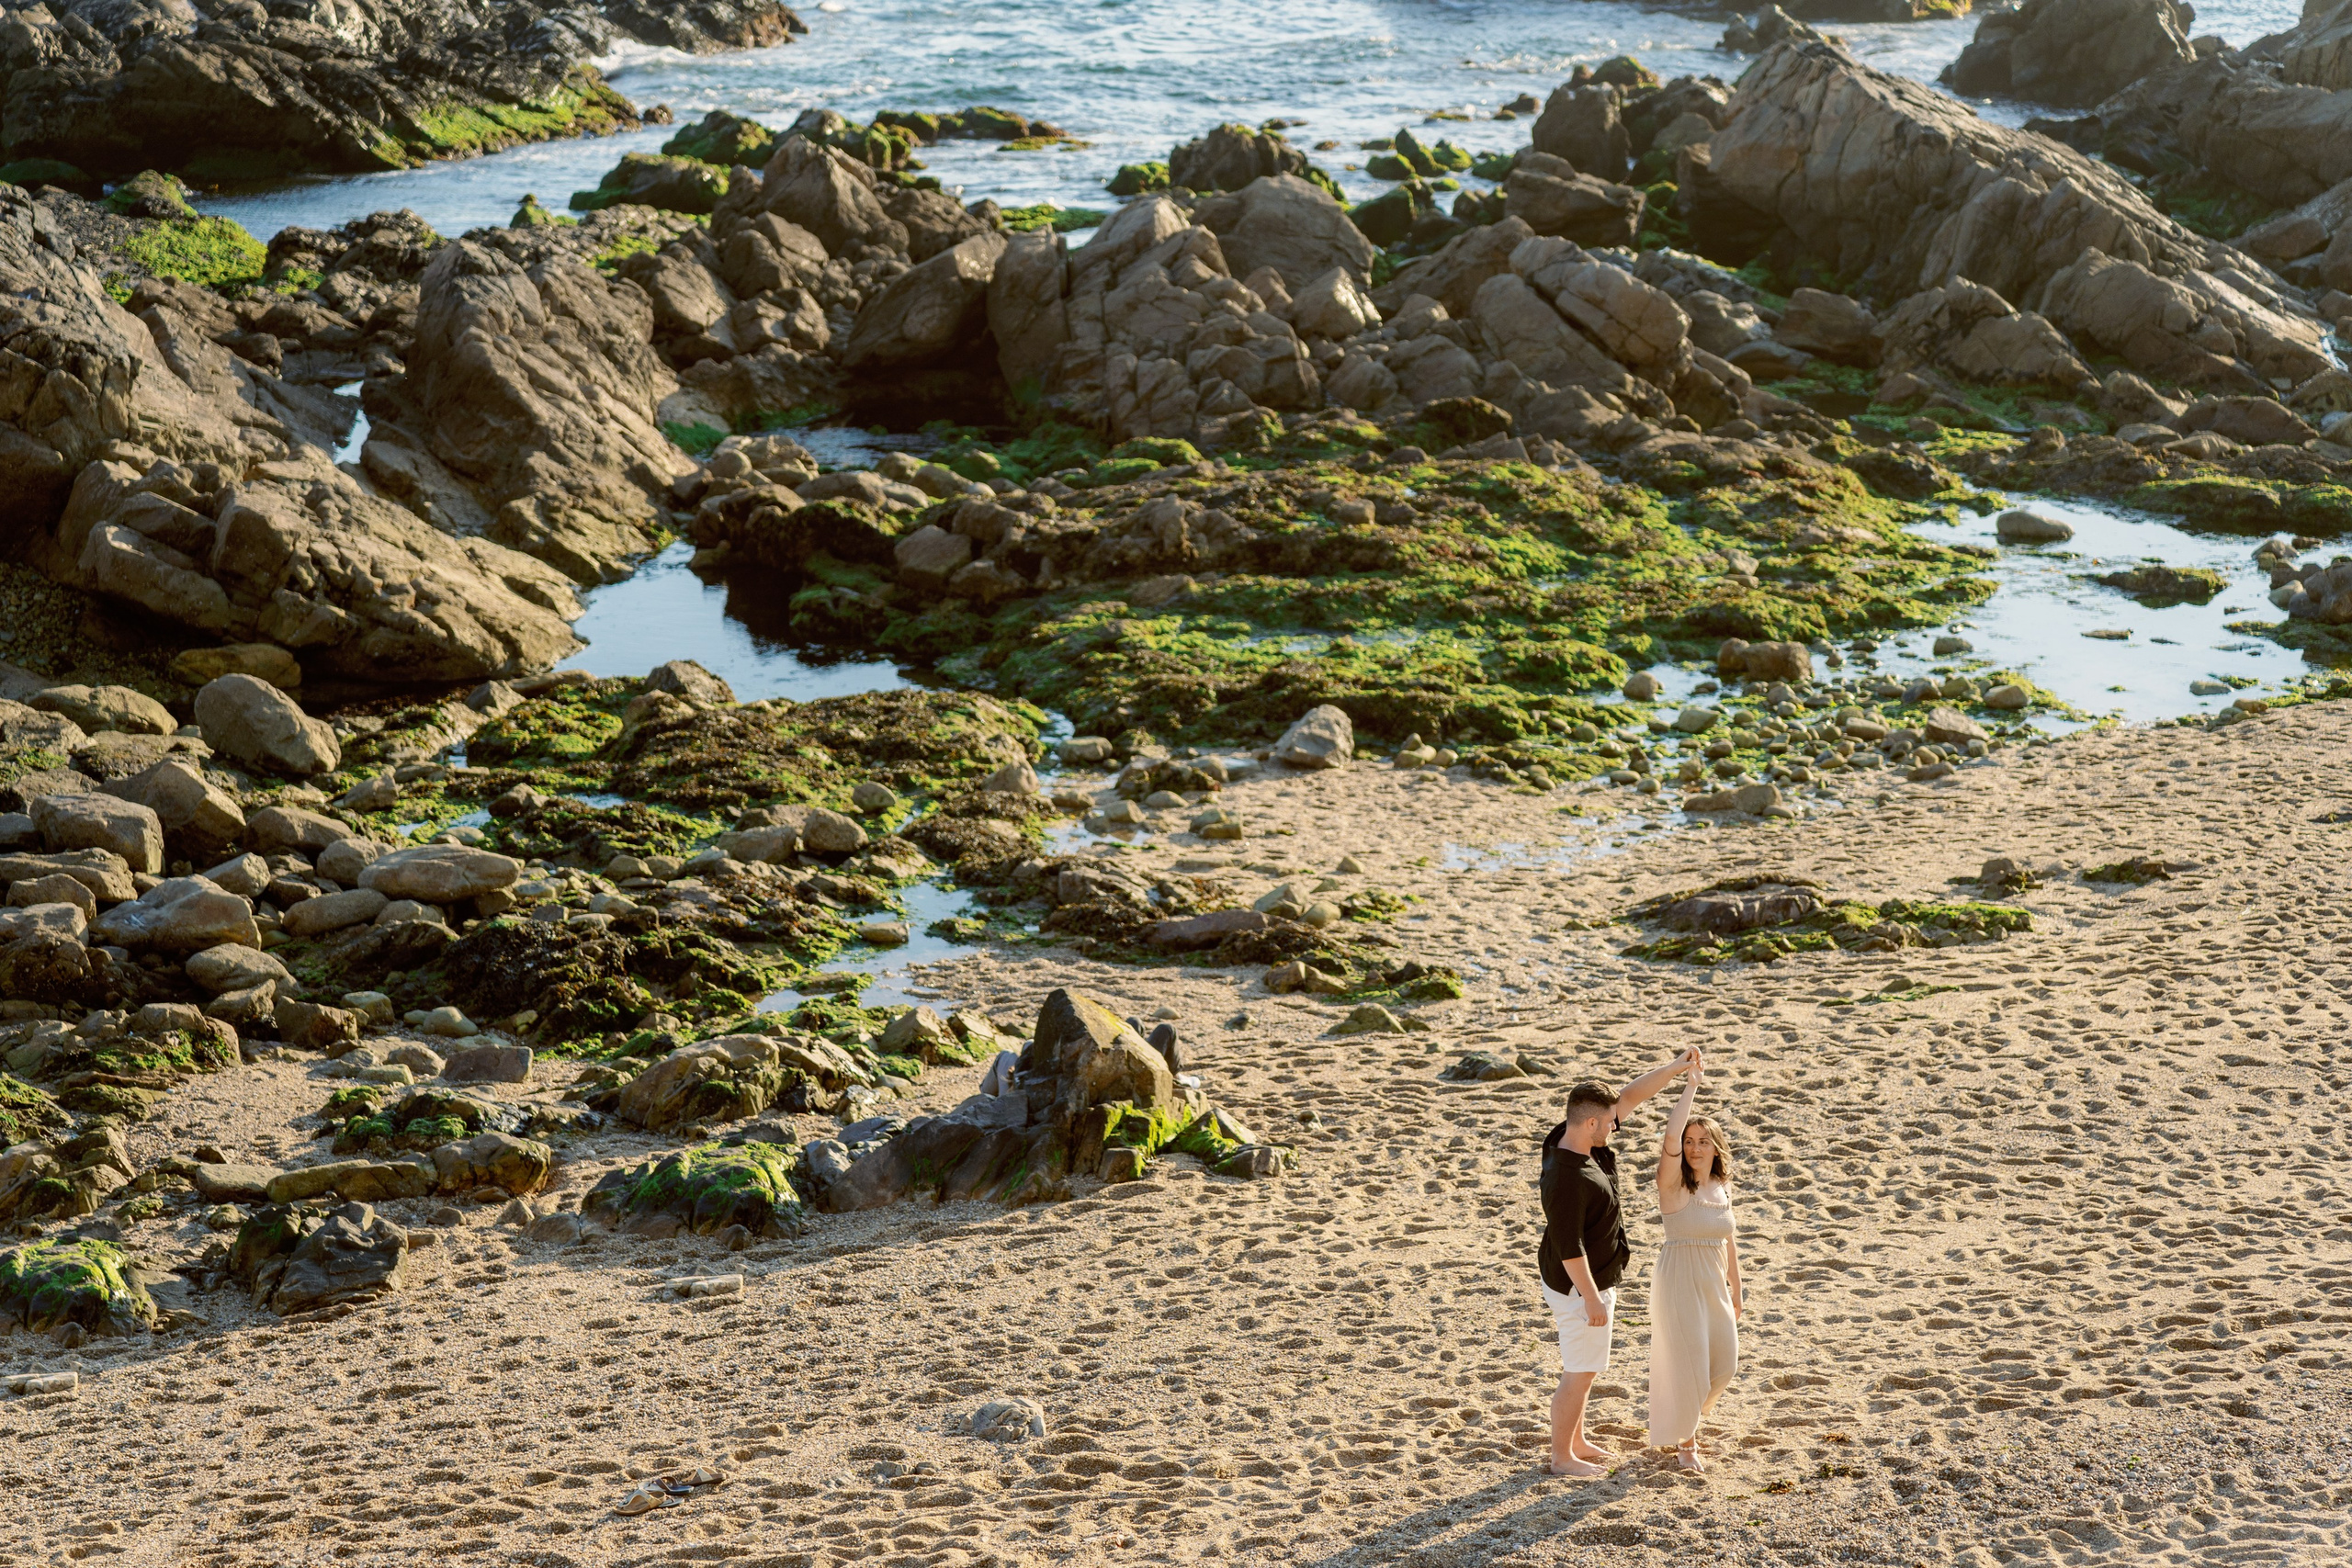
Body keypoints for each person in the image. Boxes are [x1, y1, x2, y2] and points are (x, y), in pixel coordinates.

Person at [1538, 1048, 1698, 1477]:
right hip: (1577, 1285)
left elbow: (1627, 1098)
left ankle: (1576, 1440)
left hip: (1586, 1279)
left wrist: (1673, 1069)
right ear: (1590, 1122)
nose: (1616, 1124)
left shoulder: (1570, 1136)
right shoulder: (1568, 1178)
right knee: (1580, 1371)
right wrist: (1591, 1298)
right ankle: (1561, 1457)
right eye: (1609, 1122)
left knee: (1585, 1369)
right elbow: (1569, 1246)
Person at [1646, 1048, 1741, 1471]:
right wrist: (1689, 1087)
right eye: (1690, 1141)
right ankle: (1687, 1442)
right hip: (1680, 1278)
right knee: (1692, 1365)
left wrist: (1736, 1287)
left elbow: (1727, 1237)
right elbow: (1668, 1138)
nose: (1695, 1148)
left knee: (1724, 1365)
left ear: (1716, 1148)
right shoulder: (1673, 1187)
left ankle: (1682, 1417)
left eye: (1704, 1141)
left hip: (1714, 1283)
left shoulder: (1720, 1187)